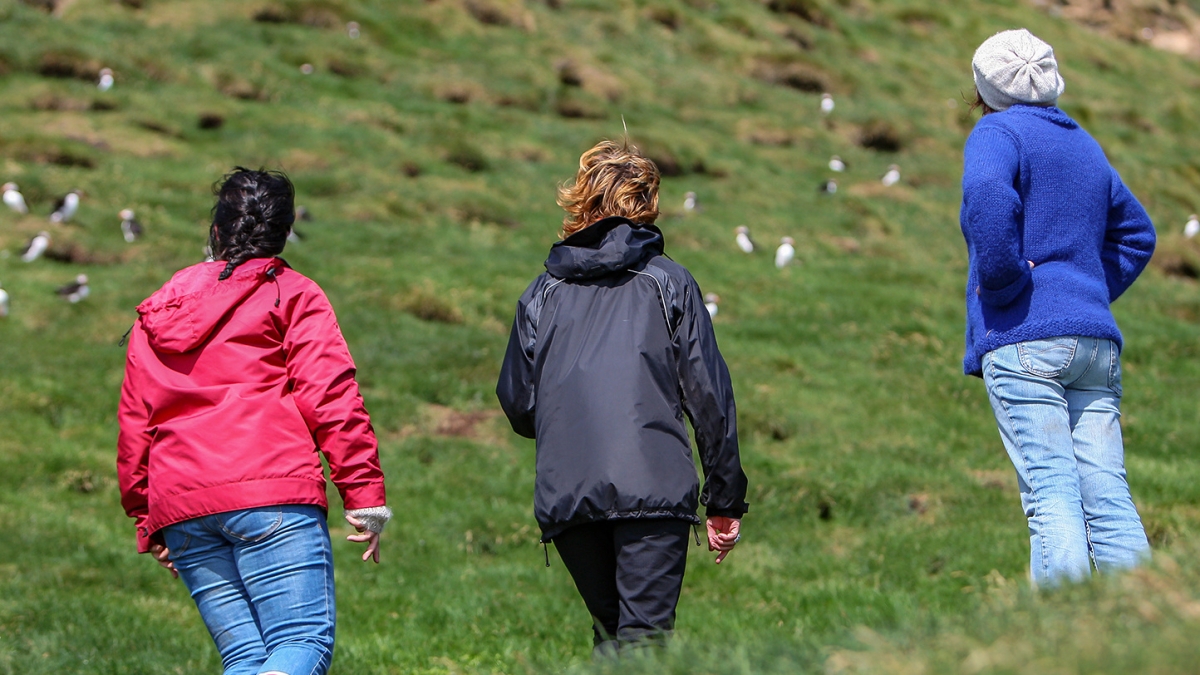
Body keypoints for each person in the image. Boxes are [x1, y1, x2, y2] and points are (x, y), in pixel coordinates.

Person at [117, 168, 390, 674]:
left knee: (246, 658)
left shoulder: (157, 310)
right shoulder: (293, 293)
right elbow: (331, 397)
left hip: (182, 508)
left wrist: (146, 520)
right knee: (302, 643)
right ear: (283, 232)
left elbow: (136, 421)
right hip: (271, 493)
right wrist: (365, 497)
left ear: (216, 229)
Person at [496, 140, 749, 654]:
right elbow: (709, 398)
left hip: (569, 497)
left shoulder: (541, 293)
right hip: (653, 493)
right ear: (647, 201)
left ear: (581, 199)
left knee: (611, 638)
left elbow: (519, 405)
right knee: (644, 642)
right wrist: (725, 499)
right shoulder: (669, 282)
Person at [960, 30, 1156, 586]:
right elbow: (1137, 234)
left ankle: (1062, 627)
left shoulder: (996, 132)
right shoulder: (1084, 143)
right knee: (1108, 493)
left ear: (986, 88)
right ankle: (1144, 617)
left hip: (1025, 337)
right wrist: (1084, 290)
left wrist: (1004, 286)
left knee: (1051, 492)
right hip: (1095, 343)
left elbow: (988, 197)